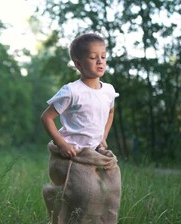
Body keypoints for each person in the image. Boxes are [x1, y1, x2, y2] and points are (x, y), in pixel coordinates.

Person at [40, 33, 121, 223]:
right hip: (73, 153)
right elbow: (47, 118)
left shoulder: (108, 90)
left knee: (104, 193)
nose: (100, 61)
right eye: (93, 58)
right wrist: (62, 144)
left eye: (103, 56)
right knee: (81, 195)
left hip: (94, 152)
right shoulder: (72, 91)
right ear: (78, 64)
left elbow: (110, 112)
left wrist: (103, 137)